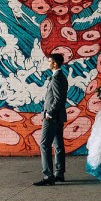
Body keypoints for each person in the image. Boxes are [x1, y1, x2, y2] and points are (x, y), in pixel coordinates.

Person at [34, 53, 69, 186]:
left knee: (44, 144)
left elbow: (59, 99)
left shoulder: (57, 78)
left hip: (52, 117)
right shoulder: (59, 76)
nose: (48, 63)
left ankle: (48, 176)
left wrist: (49, 112)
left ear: (55, 64)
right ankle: (59, 174)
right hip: (58, 116)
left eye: (49, 61)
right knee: (58, 145)